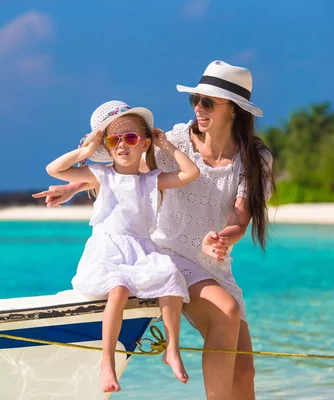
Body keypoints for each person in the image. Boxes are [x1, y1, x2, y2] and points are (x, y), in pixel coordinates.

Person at [34, 61, 275, 400]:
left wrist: (222, 240)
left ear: (233, 109)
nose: (198, 109)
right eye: (195, 100)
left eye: (207, 102)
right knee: (228, 313)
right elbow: (128, 175)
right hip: (168, 253)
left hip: (215, 264)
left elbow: (240, 218)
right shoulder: (176, 140)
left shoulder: (255, 157)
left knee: (245, 370)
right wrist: (76, 187)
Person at [45, 100, 200, 392]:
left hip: (141, 252)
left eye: (130, 138)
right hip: (107, 251)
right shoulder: (101, 174)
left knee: (169, 276)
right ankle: (107, 361)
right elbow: (54, 169)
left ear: (143, 144)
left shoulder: (150, 180)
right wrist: (87, 151)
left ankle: (173, 350)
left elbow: (190, 173)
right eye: (114, 140)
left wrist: (166, 146)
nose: (122, 146)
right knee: (118, 287)